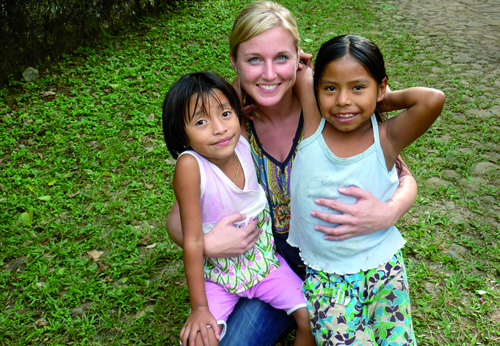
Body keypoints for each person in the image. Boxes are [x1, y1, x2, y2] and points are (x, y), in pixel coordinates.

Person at [166, 2, 419, 345]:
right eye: (254, 60)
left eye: (281, 58)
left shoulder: (327, 107)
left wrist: (389, 211)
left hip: (336, 265)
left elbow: (401, 172)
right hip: (269, 263)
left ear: (298, 58)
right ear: (234, 62)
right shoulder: (228, 127)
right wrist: (206, 243)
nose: (269, 74)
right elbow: (179, 218)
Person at [288, 34, 445, 345]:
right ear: (317, 88)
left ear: (380, 86)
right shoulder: (313, 125)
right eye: (330, 88)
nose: (343, 101)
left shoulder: (386, 139)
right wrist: (297, 62)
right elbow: (287, 69)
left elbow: (432, 99)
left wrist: (382, 98)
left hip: (383, 268)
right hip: (327, 275)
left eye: (358, 87)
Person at [162, 72, 315, 346]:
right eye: (200, 122)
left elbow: (236, 93)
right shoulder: (190, 167)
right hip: (219, 276)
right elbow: (193, 240)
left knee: (312, 317)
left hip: (266, 265)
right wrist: (199, 308)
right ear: (181, 134)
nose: (219, 128)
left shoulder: (242, 142)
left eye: (225, 114)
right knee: (200, 338)